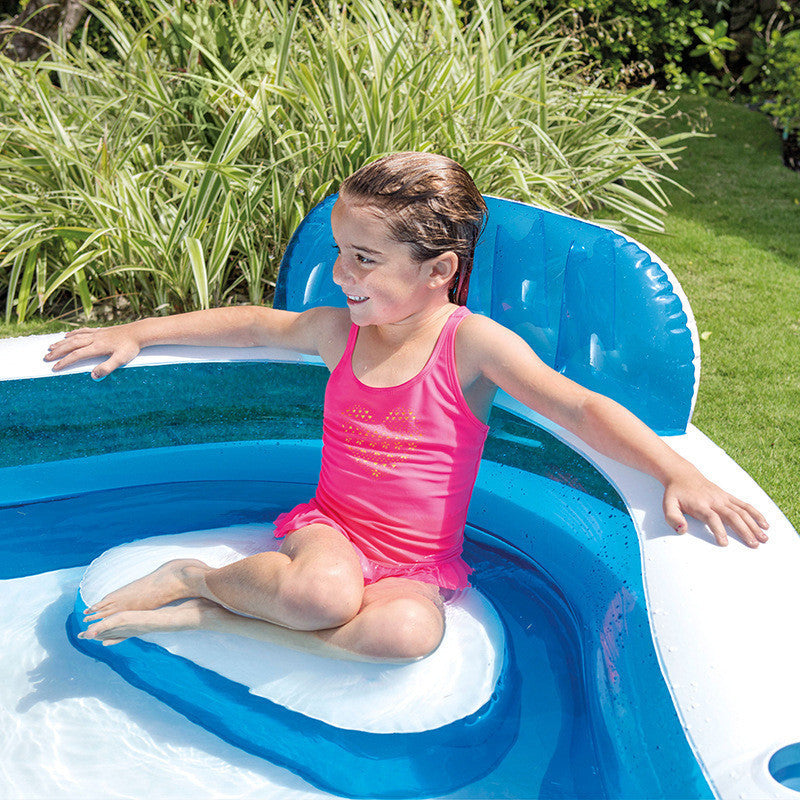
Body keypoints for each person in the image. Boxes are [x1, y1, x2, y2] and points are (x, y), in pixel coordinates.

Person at [44, 152, 769, 663]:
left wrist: (678, 471)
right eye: (340, 249)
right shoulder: (338, 331)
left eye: (364, 257)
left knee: (403, 640)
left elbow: (577, 407)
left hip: (419, 563)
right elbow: (251, 323)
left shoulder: (473, 346)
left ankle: (211, 615)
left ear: (439, 270)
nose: (338, 272)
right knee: (323, 594)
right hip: (333, 530)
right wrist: (136, 332)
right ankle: (194, 577)